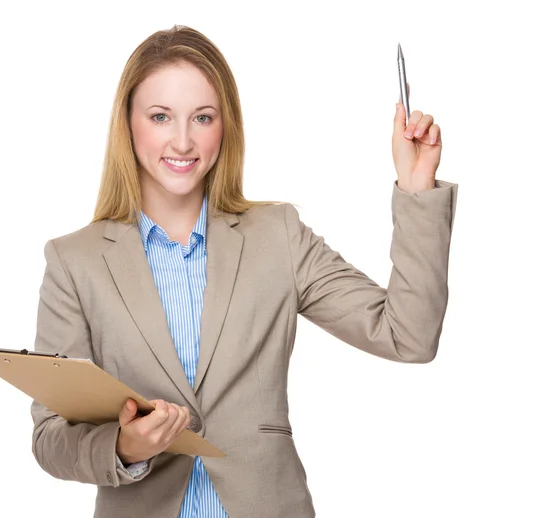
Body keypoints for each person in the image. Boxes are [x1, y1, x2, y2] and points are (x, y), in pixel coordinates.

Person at [30, 24, 458, 518]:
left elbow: (409, 335)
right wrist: (125, 447)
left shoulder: (277, 234)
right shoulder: (75, 261)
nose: (183, 140)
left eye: (203, 117)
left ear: (225, 125)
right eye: (160, 116)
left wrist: (418, 188)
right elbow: (50, 438)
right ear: (128, 123)